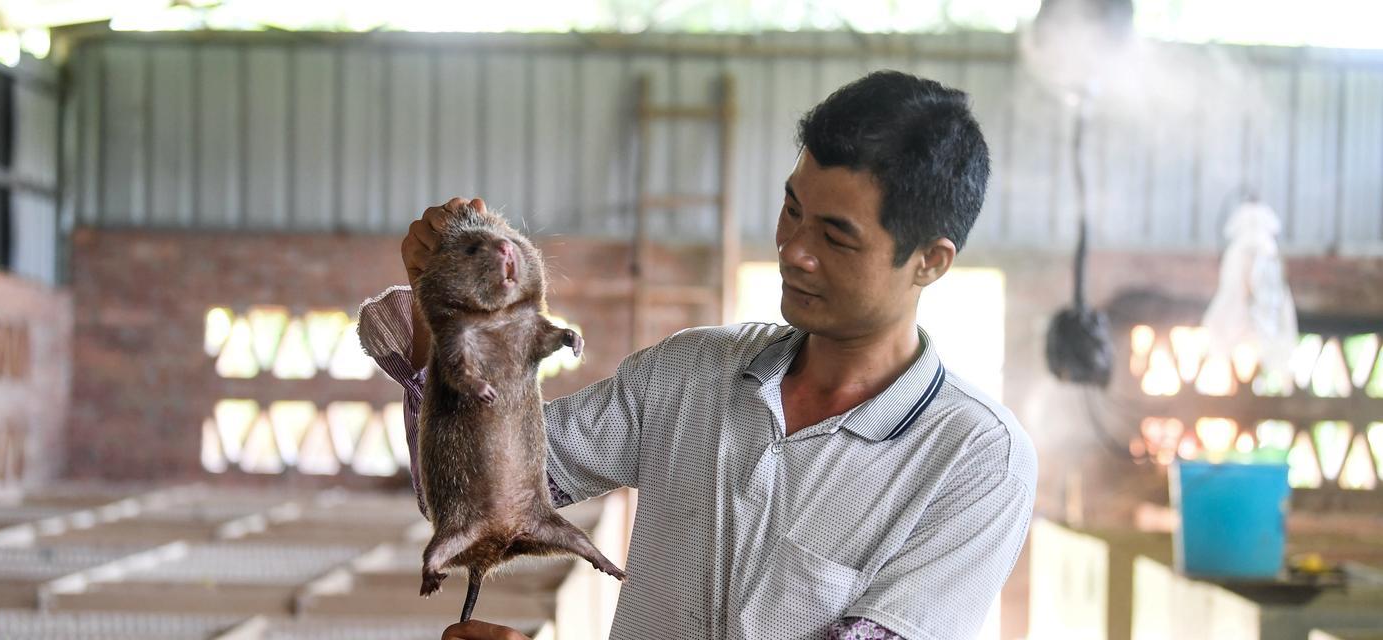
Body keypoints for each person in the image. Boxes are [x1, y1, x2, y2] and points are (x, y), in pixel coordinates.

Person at [358, 70, 1036, 640]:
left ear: (929, 262)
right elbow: (476, 502)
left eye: (836, 236)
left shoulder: (975, 458)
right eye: (792, 208)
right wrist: (447, 323)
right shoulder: (690, 374)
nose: (793, 248)